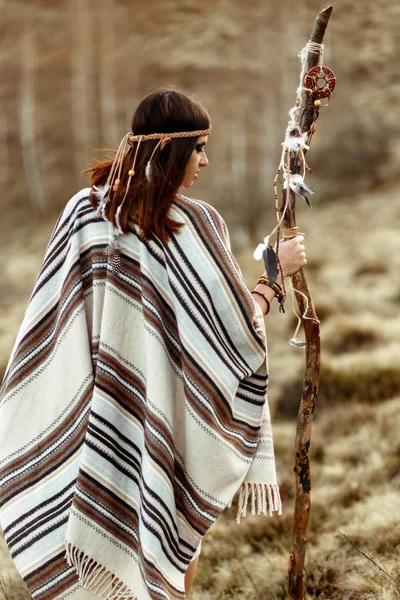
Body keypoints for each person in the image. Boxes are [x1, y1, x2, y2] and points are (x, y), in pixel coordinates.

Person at [0, 88, 306, 600]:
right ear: (170, 149)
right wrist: (273, 278)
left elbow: (216, 333)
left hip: (157, 410)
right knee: (155, 550)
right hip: (96, 410)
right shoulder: (177, 224)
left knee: (166, 540)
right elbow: (237, 331)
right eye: (200, 148)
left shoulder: (126, 216)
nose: (206, 161)